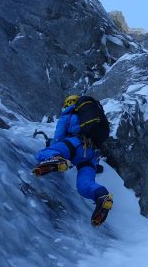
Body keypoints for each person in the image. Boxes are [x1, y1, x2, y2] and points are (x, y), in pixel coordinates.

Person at [34, 94, 113, 226]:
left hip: (75, 145)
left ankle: (56, 159)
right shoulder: (89, 119)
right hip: (91, 155)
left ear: (67, 104)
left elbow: (59, 138)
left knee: (43, 153)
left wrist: (53, 146)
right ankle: (102, 196)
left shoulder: (68, 115)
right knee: (84, 184)